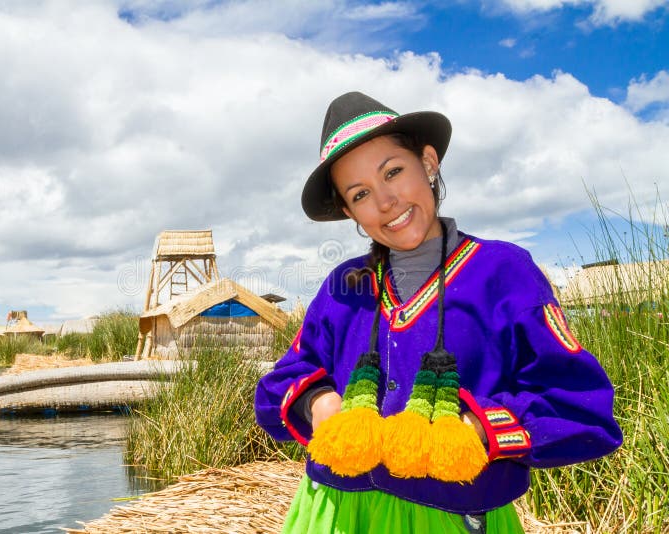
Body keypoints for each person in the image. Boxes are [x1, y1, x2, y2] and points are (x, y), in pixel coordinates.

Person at [254, 91, 622, 533]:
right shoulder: (345, 286)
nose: (386, 201)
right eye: (361, 193)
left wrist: (479, 426)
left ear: (428, 163)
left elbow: (580, 409)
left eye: (393, 171)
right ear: (348, 211)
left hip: (453, 518)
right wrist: (319, 402)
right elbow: (278, 385)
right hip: (332, 513)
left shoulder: (504, 274)